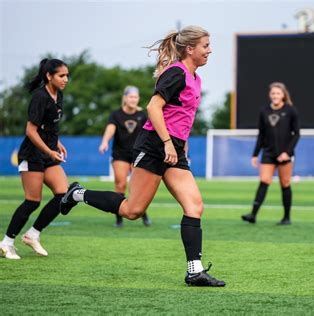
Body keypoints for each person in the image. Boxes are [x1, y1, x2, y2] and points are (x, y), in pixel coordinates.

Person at [59, 26, 225, 287]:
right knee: (133, 210)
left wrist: (182, 147)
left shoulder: (196, 78)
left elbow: (183, 117)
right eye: (206, 45)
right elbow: (153, 107)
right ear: (190, 48)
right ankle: (77, 194)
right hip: (154, 146)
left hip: (174, 150)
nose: (210, 50)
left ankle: (195, 271)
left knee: (194, 207)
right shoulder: (176, 73)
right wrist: (168, 143)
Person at [0, 59, 70, 259]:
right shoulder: (40, 96)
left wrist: (57, 142)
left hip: (48, 152)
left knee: (63, 194)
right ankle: (6, 243)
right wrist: (49, 151)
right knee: (32, 201)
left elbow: (49, 127)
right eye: (61, 75)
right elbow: (31, 131)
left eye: (67, 75)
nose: (66, 79)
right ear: (49, 76)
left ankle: (33, 234)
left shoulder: (59, 95)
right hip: (32, 154)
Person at [241, 82, 300, 225]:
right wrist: (255, 154)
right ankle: (253, 215)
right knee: (264, 181)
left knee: (285, 183)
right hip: (268, 153)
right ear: (270, 95)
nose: (275, 96)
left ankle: (286, 218)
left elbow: (296, 134)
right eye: (273, 93)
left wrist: (287, 152)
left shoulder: (291, 110)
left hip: (285, 154)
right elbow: (261, 134)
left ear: (283, 95)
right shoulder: (264, 111)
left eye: (278, 93)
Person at [99, 86, 151, 227]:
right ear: (125, 98)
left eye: (135, 97)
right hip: (120, 154)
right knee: (121, 185)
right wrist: (105, 141)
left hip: (138, 155)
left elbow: (149, 132)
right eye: (130, 97)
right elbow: (111, 128)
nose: (133, 99)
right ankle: (119, 219)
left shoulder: (142, 115)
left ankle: (143, 214)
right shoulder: (116, 115)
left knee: (138, 187)